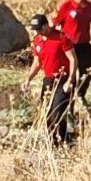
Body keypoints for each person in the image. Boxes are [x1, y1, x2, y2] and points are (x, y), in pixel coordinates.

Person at [22, 14, 78, 147]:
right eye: (35, 30)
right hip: (48, 80)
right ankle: (53, 143)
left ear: (46, 26)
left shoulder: (61, 38)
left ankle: (64, 140)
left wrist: (70, 80)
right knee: (46, 113)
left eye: (39, 29)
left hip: (63, 79)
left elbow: (73, 59)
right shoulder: (37, 41)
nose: (38, 32)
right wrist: (28, 80)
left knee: (57, 112)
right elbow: (37, 63)